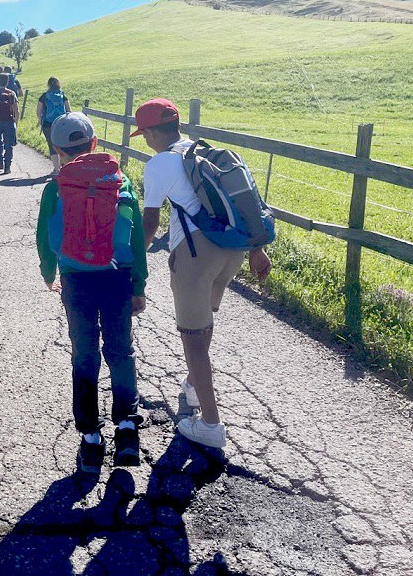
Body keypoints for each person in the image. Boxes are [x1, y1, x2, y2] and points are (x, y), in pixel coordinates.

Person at [133, 98, 272, 449]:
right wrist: (257, 247)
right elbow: (244, 202)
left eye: (144, 134)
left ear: (150, 131)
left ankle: (210, 424)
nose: (145, 140)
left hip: (195, 254)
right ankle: (195, 386)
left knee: (192, 336)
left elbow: (151, 220)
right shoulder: (204, 152)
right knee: (204, 322)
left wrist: (137, 260)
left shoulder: (159, 164)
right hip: (233, 250)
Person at [36, 112, 148, 475]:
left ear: (57, 149)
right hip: (116, 278)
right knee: (120, 350)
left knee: (84, 355)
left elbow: (44, 239)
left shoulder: (55, 187)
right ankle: (127, 428)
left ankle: (90, 438)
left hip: (76, 280)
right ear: (94, 144)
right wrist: (139, 286)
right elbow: (136, 239)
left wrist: (49, 273)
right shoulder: (120, 181)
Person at [36, 76, 71, 175]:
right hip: (61, 123)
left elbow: (38, 111)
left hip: (48, 124)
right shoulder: (62, 95)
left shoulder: (44, 96)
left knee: (52, 146)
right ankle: (63, 167)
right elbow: (69, 111)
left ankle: (56, 169)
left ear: (48, 85)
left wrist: (40, 121)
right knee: (62, 145)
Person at [0, 72, 20, 174]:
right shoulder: (12, 93)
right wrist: (16, 122)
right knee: (8, 144)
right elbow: (16, 110)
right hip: (9, 121)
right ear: (7, 82)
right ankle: (7, 167)